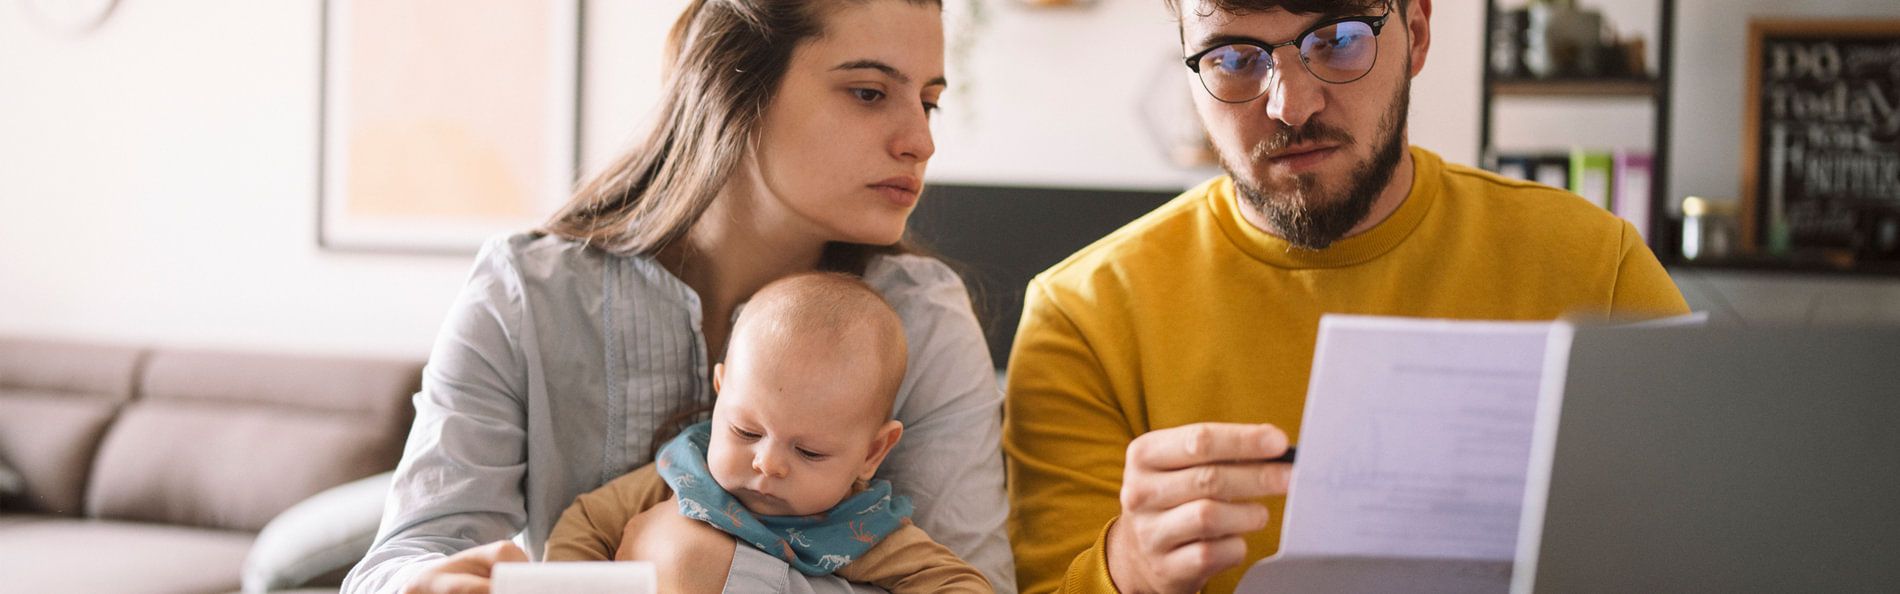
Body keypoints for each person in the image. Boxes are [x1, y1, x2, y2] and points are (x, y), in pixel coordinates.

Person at [1001, 1, 1688, 593]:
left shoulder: (1597, 268)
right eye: (1234, 59)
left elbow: (1714, 547)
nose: (1290, 105)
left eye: (1337, 40)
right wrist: (1132, 570)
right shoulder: (1081, 316)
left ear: (1416, 32)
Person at [342, 1, 1017, 593]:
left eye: (927, 100)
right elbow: (403, 556)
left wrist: (691, 565)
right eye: (869, 92)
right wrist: (417, 584)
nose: (921, 141)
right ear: (734, 84)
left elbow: (971, 584)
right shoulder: (524, 294)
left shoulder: (924, 318)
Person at [545, 272, 991, 594]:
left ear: (872, 452)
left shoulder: (860, 528)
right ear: (720, 395)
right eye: (745, 431)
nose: (768, 463)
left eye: (810, 452)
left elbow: (960, 583)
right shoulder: (684, 473)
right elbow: (585, 523)